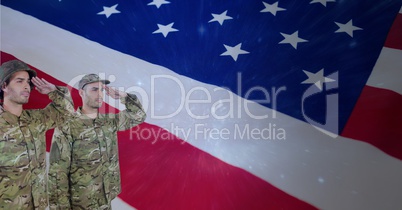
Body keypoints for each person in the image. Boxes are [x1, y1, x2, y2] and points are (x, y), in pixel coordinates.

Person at [48, 74, 146, 209]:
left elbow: (139, 116)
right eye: (94, 89)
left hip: (105, 200)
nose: (100, 94)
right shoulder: (67, 126)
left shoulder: (109, 121)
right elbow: (57, 173)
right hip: (80, 203)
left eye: (102, 90)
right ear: (81, 93)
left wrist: (124, 97)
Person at [0, 59, 75, 209]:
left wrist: (54, 91)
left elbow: (67, 112)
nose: (27, 86)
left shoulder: (36, 120)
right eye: (19, 81)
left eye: (28, 82)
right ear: (4, 86)